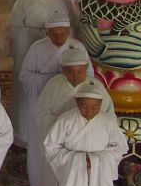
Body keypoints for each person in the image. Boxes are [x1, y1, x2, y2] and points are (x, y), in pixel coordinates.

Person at [32, 49, 114, 186]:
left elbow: (109, 117)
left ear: (86, 69)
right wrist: (64, 127)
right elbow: (41, 114)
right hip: (63, 149)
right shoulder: (54, 85)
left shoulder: (96, 87)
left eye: (80, 71)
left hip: (91, 150)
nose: (76, 77)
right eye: (70, 72)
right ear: (63, 70)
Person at [13, 12, 91, 150]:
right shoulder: (37, 48)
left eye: (62, 34)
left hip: (70, 97)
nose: (59, 38)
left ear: (68, 32)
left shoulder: (78, 47)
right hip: (43, 96)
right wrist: (48, 80)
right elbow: (25, 75)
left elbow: (89, 74)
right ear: (47, 33)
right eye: (55, 34)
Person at [7, 0, 77, 114]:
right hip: (29, 47)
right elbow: (13, 27)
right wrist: (32, 35)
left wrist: (58, 34)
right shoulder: (23, 1)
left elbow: (73, 25)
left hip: (57, 47)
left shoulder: (64, 0)